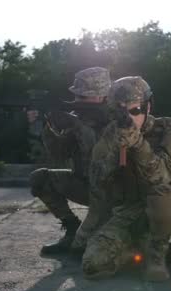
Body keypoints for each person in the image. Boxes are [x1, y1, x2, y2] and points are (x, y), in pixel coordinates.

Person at [80, 76, 171, 282]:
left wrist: (137, 144)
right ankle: (137, 252)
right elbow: (96, 180)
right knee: (92, 265)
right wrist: (114, 151)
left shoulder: (168, 130)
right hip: (125, 213)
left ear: (149, 107)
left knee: (162, 194)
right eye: (120, 111)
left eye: (135, 110)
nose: (129, 117)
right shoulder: (110, 134)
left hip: (163, 209)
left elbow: (163, 177)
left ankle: (156, 255)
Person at [29, 67, 111, 254]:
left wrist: (76, 124)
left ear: (101, 97)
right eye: (76, 95)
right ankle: (72, 230)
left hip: (113, 194)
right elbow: (59, 153)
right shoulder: (79, 119)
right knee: (40, 179)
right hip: (85, 186)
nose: (76, 101)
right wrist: (46, 125)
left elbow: (98, 152)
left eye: (83, 97)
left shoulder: (119, 118)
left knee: (87, 252)